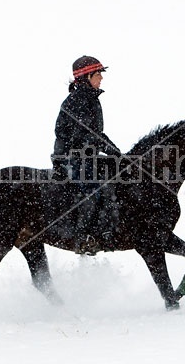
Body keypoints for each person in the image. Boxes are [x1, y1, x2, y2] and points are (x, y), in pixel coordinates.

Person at [52, 55, 121, 254]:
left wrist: (116, 153)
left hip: (86, 155)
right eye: (98, 74)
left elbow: (97, 134)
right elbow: (85, 135)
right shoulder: (77, 101)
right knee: (92, 190)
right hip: (70, 157)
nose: (101, 78)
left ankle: (107, 230)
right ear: (86, 76)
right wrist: (109, 150)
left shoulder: (91, 99)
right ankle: (83, 238)